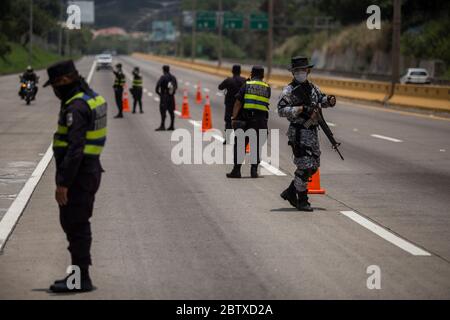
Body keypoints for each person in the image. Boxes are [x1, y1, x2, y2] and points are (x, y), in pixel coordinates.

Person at [44, 60, 107, 292]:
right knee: (77, 224)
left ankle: (81, 279)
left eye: (54, 85)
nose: (54, 90)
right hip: (90, 170)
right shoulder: (92, 97)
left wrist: (63, 183)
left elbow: (75, 149)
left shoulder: (76, 107)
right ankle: (80, 276)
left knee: (75, 225)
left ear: (63, 81)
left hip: (79, 175)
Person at [278, 56, 336, 211]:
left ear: (308, 71)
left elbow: (320, 99)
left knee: (314, 166)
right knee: (304, 167)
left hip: (312, 133)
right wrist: (301, 109)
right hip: (298, 132)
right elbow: (281, 110)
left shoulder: (313, 88)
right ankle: (302, 200)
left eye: (302, 70)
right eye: (297, 71)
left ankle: (290, 192)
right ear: (293, 72)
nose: (300, 73)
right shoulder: (289, 90)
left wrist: (328, 100)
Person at [226, 66, 270, 179]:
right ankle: (254, 170)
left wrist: (234, 117)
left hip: (247, 120)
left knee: (240, 144)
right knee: (257, 146)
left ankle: (236, 171)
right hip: (261, 121)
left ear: (251, 73)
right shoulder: (267, 87)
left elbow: (238, 103)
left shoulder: (247, 85)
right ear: (263, 75)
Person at [218, 65, 246, 144]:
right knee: (240, 121)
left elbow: (220, 87)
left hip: (230, 104)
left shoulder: (229, 80)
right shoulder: (244, 80)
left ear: (232, 71)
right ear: (240, 71)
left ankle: (227, 139)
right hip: (240, 105)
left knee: (228, 121)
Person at [155, 65, 177, 131]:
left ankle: (162, 126)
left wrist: (159, 94)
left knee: (163, 111)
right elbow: (176, 87)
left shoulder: (163, 77)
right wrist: (172, 93)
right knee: (171, 112)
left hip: (164, 96)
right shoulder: (173, 77)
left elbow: (157, 86)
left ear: (163, 70)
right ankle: (172, 125)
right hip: (171, 96)